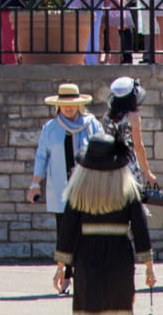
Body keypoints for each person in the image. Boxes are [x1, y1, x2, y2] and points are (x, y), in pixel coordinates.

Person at [53, 132, 155, 311]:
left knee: (89, 307)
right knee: (118, 308)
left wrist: (61, 268)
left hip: (86, 255)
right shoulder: (129, 191)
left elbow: (67, 230)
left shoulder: (78, 191)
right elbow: (140, 230)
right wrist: (149, 267)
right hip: (120, 255)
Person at [28, 83, 104, 294]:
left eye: (72, 104)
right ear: (58, 105)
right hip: (60, 190)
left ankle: (86, 275)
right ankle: (66, 274)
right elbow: (42, 157)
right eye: (64, 104)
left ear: (79, 105)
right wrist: (35, 185)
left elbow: (104, 151)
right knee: (64, 233)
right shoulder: (50, 128)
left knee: (87, 233)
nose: (68, 108)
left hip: (88, 188)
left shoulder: (92, 125)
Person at [103, 77, 156, 188]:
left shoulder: (107, 117)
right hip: (127, 164)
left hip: (109, 165)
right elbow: (138, 145)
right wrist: (147, 171)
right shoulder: (133, 116)